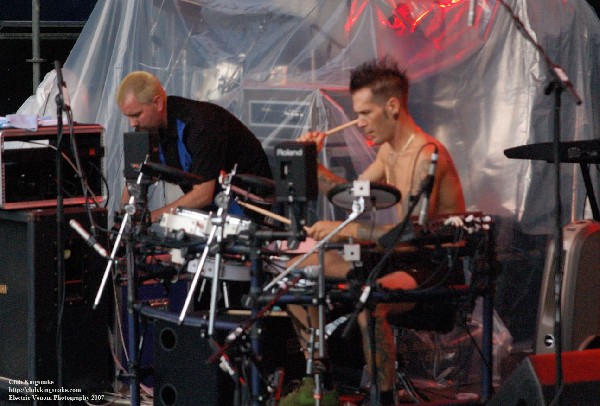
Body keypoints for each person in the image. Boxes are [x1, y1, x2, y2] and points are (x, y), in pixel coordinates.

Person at [281, 56, 465, 406]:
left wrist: (341, 232)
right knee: (296, 270)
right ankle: (321, 384)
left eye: (365, 113)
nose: (358, 122)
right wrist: (311, 160)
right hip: (394, 256)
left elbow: (410, 235)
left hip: (431, 265)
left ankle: (384, 398)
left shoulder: (426, 154)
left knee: (371, 302)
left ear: (392, 106)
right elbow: (350, 195)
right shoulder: (388, 150)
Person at [116, 71, 272, 222]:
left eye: (136, 115)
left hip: (248, 210)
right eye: (128, 116)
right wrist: (123, 219)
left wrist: (151, 218)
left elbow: (203, 194)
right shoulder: (148, 129)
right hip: (210, 213)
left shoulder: (201, 123)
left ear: (157, 103)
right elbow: (135, 179)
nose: (132, 123)